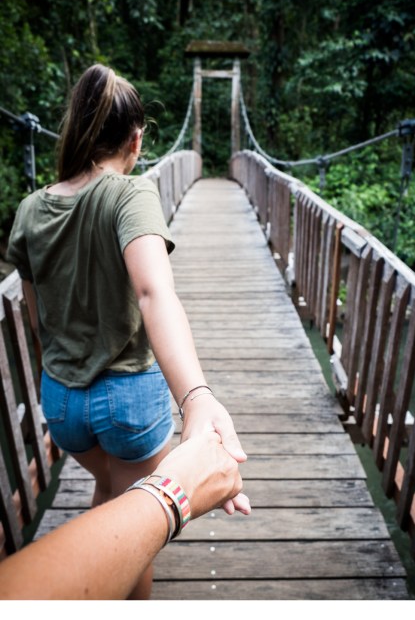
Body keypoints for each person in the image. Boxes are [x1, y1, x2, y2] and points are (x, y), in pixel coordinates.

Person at [4, 64, 250, 599]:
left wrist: (63, 373)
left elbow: (36, 312)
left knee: (111, 486)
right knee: (134, 525)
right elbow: (153, 293)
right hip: (129, 404)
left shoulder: (28, 209)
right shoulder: (130, 194)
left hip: (62, 404)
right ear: (136, 140)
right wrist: (197, 397)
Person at [0, 430, 245, 599]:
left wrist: (197, 398)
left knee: (105, 485)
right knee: (136, 544)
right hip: (131, 402)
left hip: (62, 401)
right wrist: (175, 491)